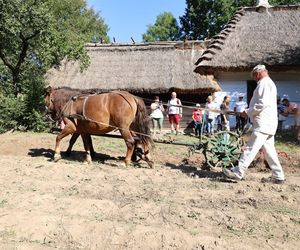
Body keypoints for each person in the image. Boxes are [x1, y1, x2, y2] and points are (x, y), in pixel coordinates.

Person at [223, 65, 285, 184]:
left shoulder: (264, 83)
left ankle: (238, 172)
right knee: (270, 152)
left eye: (254, 76)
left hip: (263, 123)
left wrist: (247, 112)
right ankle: (279, 176)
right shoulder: (268, 83)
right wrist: (248, 110)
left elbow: (262, 104)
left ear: (258, 74)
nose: (254, 79)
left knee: (250, 148)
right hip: (268, 123)